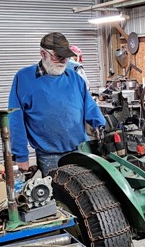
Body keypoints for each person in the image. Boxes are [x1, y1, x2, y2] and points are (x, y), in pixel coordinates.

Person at [9, 32, 105, 175]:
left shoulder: (74, 78)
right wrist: (21, 155)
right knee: (56, 194)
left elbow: (89, 106)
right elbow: (15, 119)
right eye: (58, 56)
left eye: (65, 57)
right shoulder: (24, 78)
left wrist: (102, 126)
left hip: (80, 150)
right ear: (43, 54)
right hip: (49, 156)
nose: (63, 61)